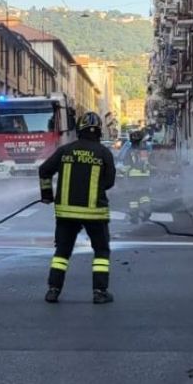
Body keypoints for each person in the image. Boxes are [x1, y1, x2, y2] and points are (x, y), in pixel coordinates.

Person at [39, 112, 117, 304]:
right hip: (95, 214)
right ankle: (100, 292)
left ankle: (53, 290)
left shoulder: (65, 151)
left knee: (62, 253)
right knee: (101, 252)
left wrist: (47, 195)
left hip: (66, 214)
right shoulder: (104, 153)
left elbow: (44, 170)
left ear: (78, 130)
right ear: (99, 130)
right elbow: (109, 182)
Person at [122, 130, 152, 221]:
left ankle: (134, 215)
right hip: (145, 177)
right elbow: (148, 163)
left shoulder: (129, 151)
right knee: (144, 195)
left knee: (133, 197)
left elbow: (125, 164)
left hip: (132, 178)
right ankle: (146, 211)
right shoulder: (145, 150)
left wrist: (124, 173)